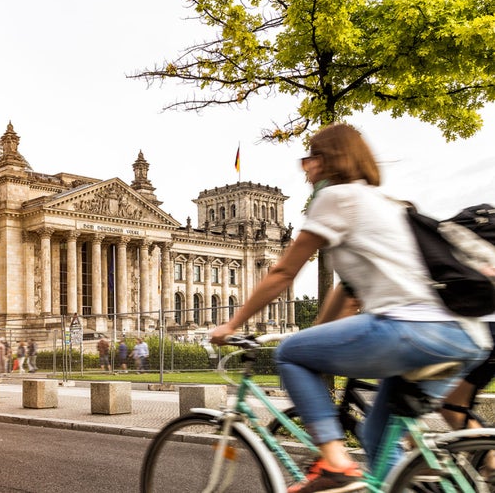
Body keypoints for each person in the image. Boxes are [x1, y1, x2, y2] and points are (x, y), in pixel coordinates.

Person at [209, 123, 490, 493]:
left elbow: (283, 272)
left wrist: (232, 324)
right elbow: (351, 288)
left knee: (290, 353)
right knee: (377, 438)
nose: (305, 168)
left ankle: (335, 462)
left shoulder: (335, 197)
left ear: (329, 160)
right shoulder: (390, 204)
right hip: (465, 336)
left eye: (310, 158)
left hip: (410, 329)